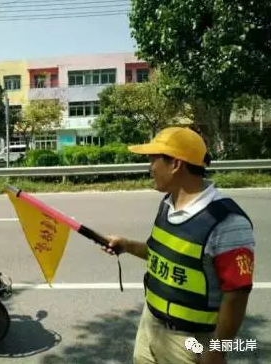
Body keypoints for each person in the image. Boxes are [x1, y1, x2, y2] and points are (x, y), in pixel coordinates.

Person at [102, 127, 255, 364]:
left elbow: (236, 296)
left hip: (191, 342)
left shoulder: (227, 221)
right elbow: (161, 253)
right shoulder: (168, 203)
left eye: (154, 159)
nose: (150, 167)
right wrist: (127, 245)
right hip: (150, 326)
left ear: (175, 164)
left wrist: (217, 349)